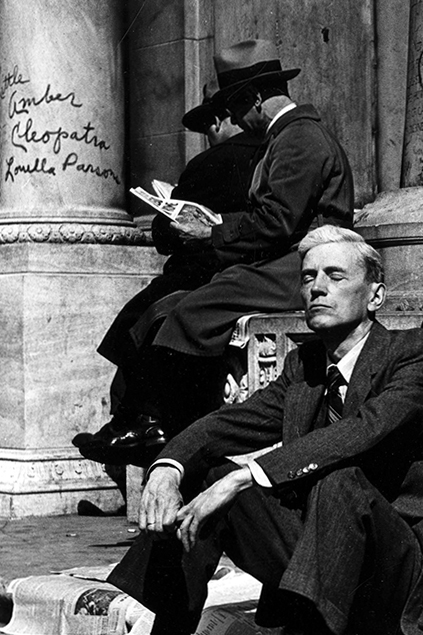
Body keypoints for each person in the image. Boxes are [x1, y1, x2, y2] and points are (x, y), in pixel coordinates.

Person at [55, 227, 423, 635]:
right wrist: (168, 466)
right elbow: (226, 424)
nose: (317, 289)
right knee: (205, 475)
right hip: (325, 557)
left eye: (335, 276)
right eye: (308, 278)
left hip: (402, 572)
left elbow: (359, 432)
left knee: (337, 475)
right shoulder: (304, 368)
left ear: (375, 294)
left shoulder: (417, 354)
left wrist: (249, 475)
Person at [82, 38, 355, 460]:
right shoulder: (290, 136)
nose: (236, 119)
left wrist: (210, 230)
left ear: (256, 99)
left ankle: (164, 426)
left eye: (236, 108)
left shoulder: (299, 138)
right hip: (288, 262)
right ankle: (152, 422)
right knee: (175, 305)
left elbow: (276, 221)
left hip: (305, 267)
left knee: (195, 308)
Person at [75, 92, 265, 464]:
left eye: (208, 128)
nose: (208, 137)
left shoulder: (212, 161)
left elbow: (166, 232)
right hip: (252, 270)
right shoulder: (271, 153)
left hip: (200, 273)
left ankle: (138, 422)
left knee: (142, 317)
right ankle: (137, 421)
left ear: (220, 120)